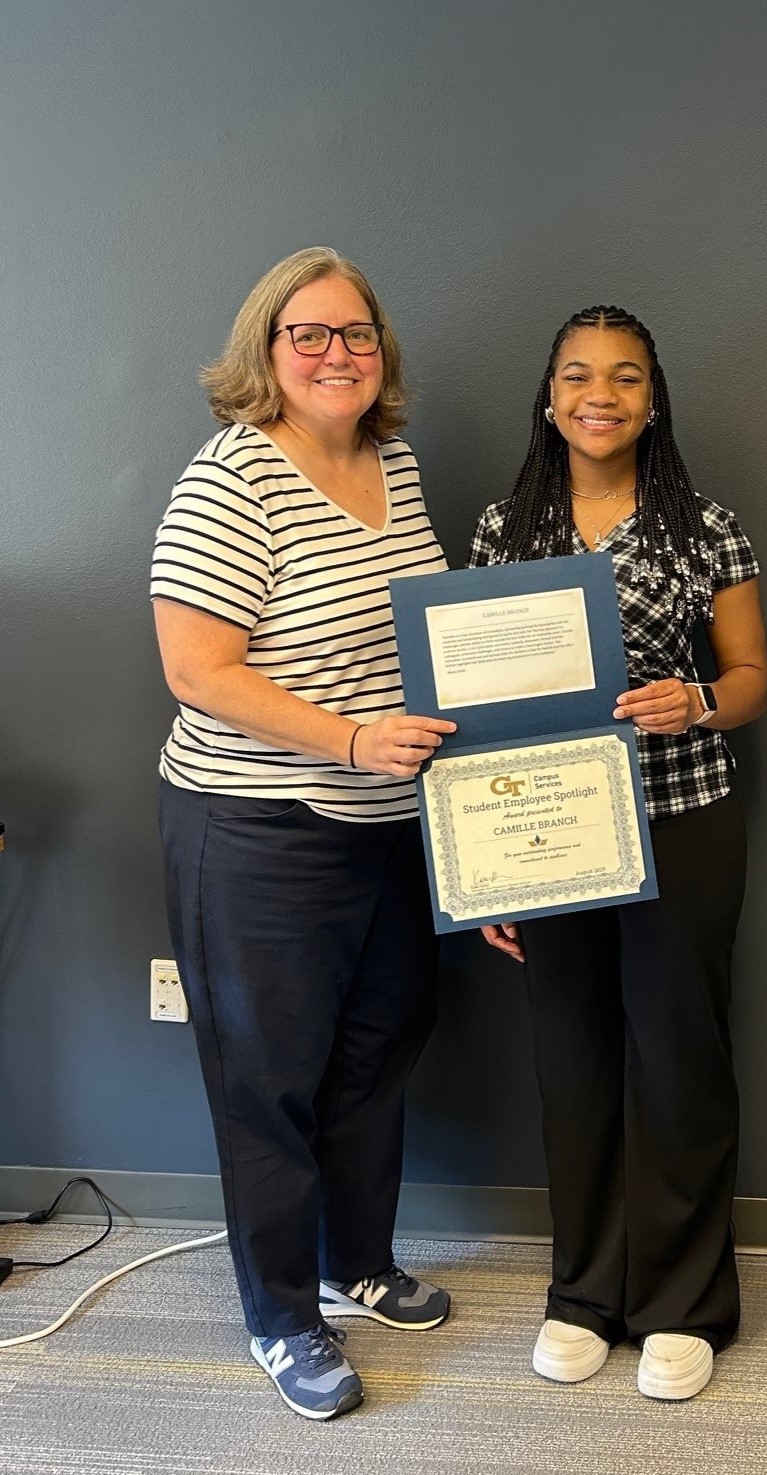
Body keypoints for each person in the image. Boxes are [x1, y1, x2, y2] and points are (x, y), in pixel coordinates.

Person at [151, 247, 456, 1421]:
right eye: (310, 334)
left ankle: (353, 1259)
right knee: (268, 1081)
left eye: (358, 334)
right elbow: (195, 668)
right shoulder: (233, 478)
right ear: (265, 353)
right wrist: (343, 739)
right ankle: (283, 1315)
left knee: (381, 1049)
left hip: (384, 819)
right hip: (258, 825)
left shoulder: (395, 458)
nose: (338, 354)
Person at [468, 304, 767, 1401]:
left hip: (682, 818)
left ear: (654, 400)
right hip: (550, 830)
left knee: (682, 1058)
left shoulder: (709, 527)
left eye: (628, 377)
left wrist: (695, 699)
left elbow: (749, 680)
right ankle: (584, 1292)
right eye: (580, 375)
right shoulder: (504, 529)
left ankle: (686, 1301)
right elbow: (478, 710)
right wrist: (482, 867)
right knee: (572, 1060)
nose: (602, 393)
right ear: (549, 397)